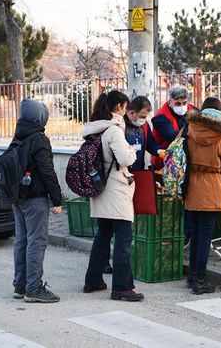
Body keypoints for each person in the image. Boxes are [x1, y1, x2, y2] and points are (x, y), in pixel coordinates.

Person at [83, 90, 144, 302]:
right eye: (125, 108)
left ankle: (93, 280)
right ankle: (122, 287)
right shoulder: (114, 130)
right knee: (123, 239)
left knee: (103, 235)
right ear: (118, 107)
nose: (126, 112)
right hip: (116, 190)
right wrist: (133, 151)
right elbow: (125, 158)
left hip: (100, 188)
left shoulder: (94, 129)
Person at [10, 99, 63, 303]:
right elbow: (47, 171)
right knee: (37, 242)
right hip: (35, 198)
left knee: (22, 241)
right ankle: (34, 287)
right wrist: (57, 198)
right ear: (40, 118)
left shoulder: (18, 135)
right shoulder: (39, 139)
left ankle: (20, 285)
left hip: (18, 198)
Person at [183, 97, 221, 295]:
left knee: (196, 231)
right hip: (211, 185)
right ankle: (200, 278)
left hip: (190, 184)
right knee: (205, 233)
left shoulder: (189, 129)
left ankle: (191, 275)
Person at [152, 85, 196, 244]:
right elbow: (174, 137)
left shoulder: (190, 109)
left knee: (188, 196)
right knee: (174, 199)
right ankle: (176, 234)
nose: (182, 106)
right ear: (170, 101)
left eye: (184, 102)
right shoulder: (160, 118)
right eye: (178, 103)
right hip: (165, 165)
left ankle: (187, 232)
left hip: (186, 163)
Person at [124, 95, 161, 171]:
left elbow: (150, 143)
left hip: (140, 169)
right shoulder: (121, 125)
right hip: (123, 172)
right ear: (131, 113)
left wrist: (159, 151)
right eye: (142, 117)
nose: (144, 120)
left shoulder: (144, 125)